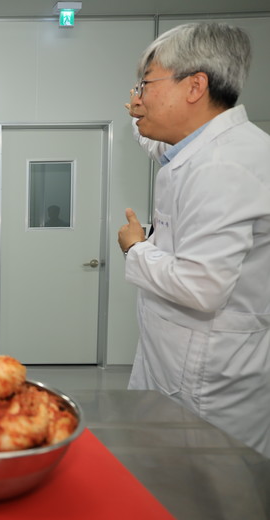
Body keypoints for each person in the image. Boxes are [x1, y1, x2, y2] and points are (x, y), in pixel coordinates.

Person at [118, 23, 270, 457]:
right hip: (180, 359)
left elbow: (202, 287)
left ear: (194, 86)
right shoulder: (204, 148)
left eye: (146, 84)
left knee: (207, 483)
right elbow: (157, 146)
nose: (139, 97)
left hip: (206, 379)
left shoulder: (223, 166)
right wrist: (139, 117)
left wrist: (136, 247)